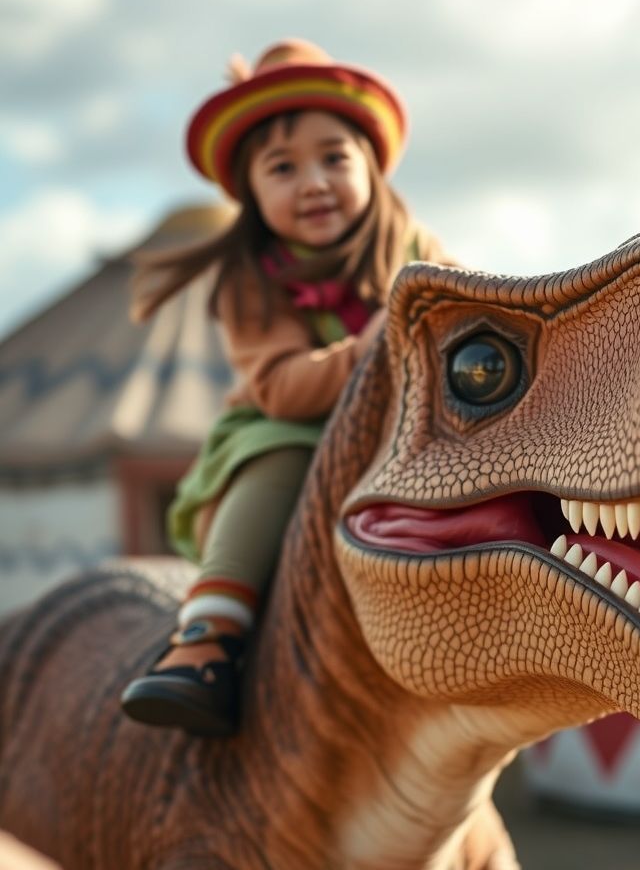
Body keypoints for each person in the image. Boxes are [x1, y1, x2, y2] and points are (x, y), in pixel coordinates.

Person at [120, 39, 453, 737]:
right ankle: (207, 640)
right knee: (283, 456)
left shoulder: (416, 249)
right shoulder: (251, 276)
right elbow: (283, 391)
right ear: (251, 192)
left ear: (371, 165)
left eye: (334, 157)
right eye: (282, 167)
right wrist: (371, 347)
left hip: (409, 431)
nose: (312, 181)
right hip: (291, 430)